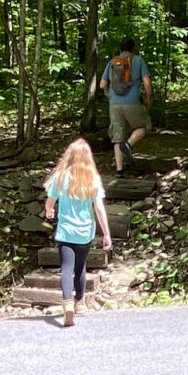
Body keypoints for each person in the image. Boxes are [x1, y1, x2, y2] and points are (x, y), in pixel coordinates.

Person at [44, 138, 111, 329]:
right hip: (85, 232)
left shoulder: (61, 176)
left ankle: (67, 304)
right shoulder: (93, 178)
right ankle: (79, 300)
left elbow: (50, 202)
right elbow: (99, 208)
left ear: (70, 156)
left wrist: (49, 211)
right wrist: (106, 233)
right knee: (80, 267)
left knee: (66, 268)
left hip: (66, 231)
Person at [103, 37, 152, 173]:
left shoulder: (112, 62)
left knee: (117, 137)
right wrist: (147, 98)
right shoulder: (138, 60)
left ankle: (119, 171)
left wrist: (108, 94)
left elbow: (102, 84)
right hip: (132, 102)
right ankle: (128, 144)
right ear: (133, 48)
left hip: (114, 103)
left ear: (120, 49)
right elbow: (147, 83)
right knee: (142, 127)